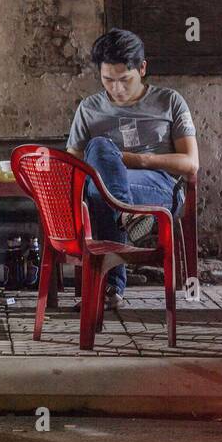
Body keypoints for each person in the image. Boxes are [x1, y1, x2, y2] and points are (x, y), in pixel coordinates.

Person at [66, 28, 198, 308]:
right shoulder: (89, 109)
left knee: (100, 191)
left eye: (124, 80)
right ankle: (125, 214)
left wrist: (133, 159)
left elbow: (190, 162)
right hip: (106, 193)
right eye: (108, 80)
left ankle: (110, 287)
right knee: (98, 152)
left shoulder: (169, 102)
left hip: (160, 188)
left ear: (142, 68)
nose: (117, 89)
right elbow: (74, 164)